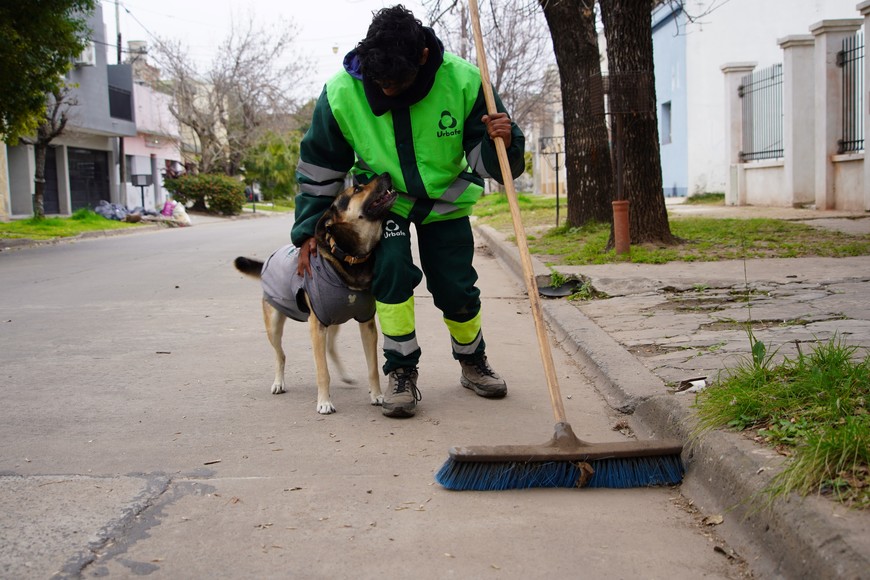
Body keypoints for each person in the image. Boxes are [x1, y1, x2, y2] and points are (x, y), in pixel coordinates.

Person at [292, 4, 525, 418]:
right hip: (385, 203)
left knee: (455, 286)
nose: (387, 91)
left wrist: (502, 142)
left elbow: (492, 166)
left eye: (395, 83)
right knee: (391, 276)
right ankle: (401, 372)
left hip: (445, 203)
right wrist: (308, 230)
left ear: (422, 58)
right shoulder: (341, 93)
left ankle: (472, 361)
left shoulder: (466, 82)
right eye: (379, 82)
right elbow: (320, 167)